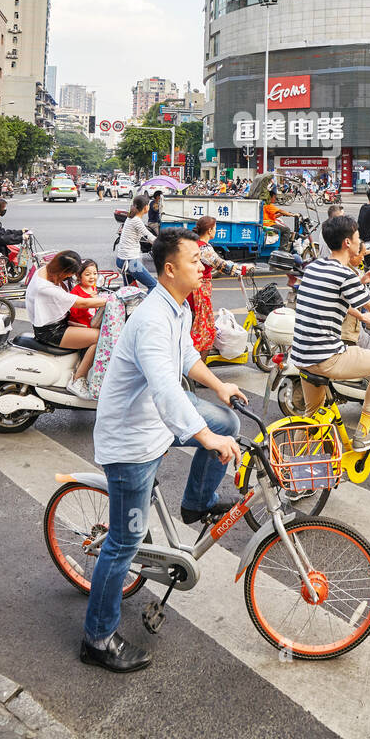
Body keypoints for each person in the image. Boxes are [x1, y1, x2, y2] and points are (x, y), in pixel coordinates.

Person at [81, 229, 246, 672]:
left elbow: (187, 357)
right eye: (195, 260)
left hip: (158, 420)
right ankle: (96, 638)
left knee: (227, 421)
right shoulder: (153, 318)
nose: (203, 266)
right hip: (132, 438)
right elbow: (164, 387)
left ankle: (197, 504)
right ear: (169, 268)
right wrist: (203, 437)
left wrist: (220, 386)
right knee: (124, 540)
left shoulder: (179, 307)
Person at [291, 214, 370, 451]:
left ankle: (295, 469)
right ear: (347, 242)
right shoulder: (344, 273)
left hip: (301, 357)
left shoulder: (314, 267)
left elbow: (334, 296)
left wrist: (359, 282)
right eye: (358, 236)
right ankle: (364, 433)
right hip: (326, 357)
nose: (361, 240)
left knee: (312, 419)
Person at [25, 250, 108, 396]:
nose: (69, 277)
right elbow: (81, 303)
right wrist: (113, 300)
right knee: (100, 337)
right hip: (51, 331)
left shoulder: (45, 270)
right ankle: (77, 380)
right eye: (68, 274)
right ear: (61, 270)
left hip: (59, 322)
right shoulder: (45, 287)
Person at [188, 216, 244, 353]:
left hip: (192, 290)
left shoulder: (195, 243)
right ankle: (199, 365)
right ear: (209, 230)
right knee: (206, 330)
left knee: (195, 324)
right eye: (215, 228)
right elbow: (221, 266)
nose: (216, 231)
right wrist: (242, 270)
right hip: (200, 291)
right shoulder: (205, 249)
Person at [115, 196, 157, 292]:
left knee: (130, 292)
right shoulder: (136, 221)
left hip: (122, 260)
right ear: (146, 207)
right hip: (130, 262)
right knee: (153, 286)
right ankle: (147, 307)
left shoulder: (131, 218)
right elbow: (149, 237)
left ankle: (134, 306)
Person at [69, 260, 101, 327]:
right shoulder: (75, 291)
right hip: (81, 324)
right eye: (87, 274)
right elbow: (74, 314)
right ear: (78, 276)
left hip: (92, 320)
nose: (92, 277)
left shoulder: (93, 287)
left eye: (95, 273)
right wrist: (89, 302)